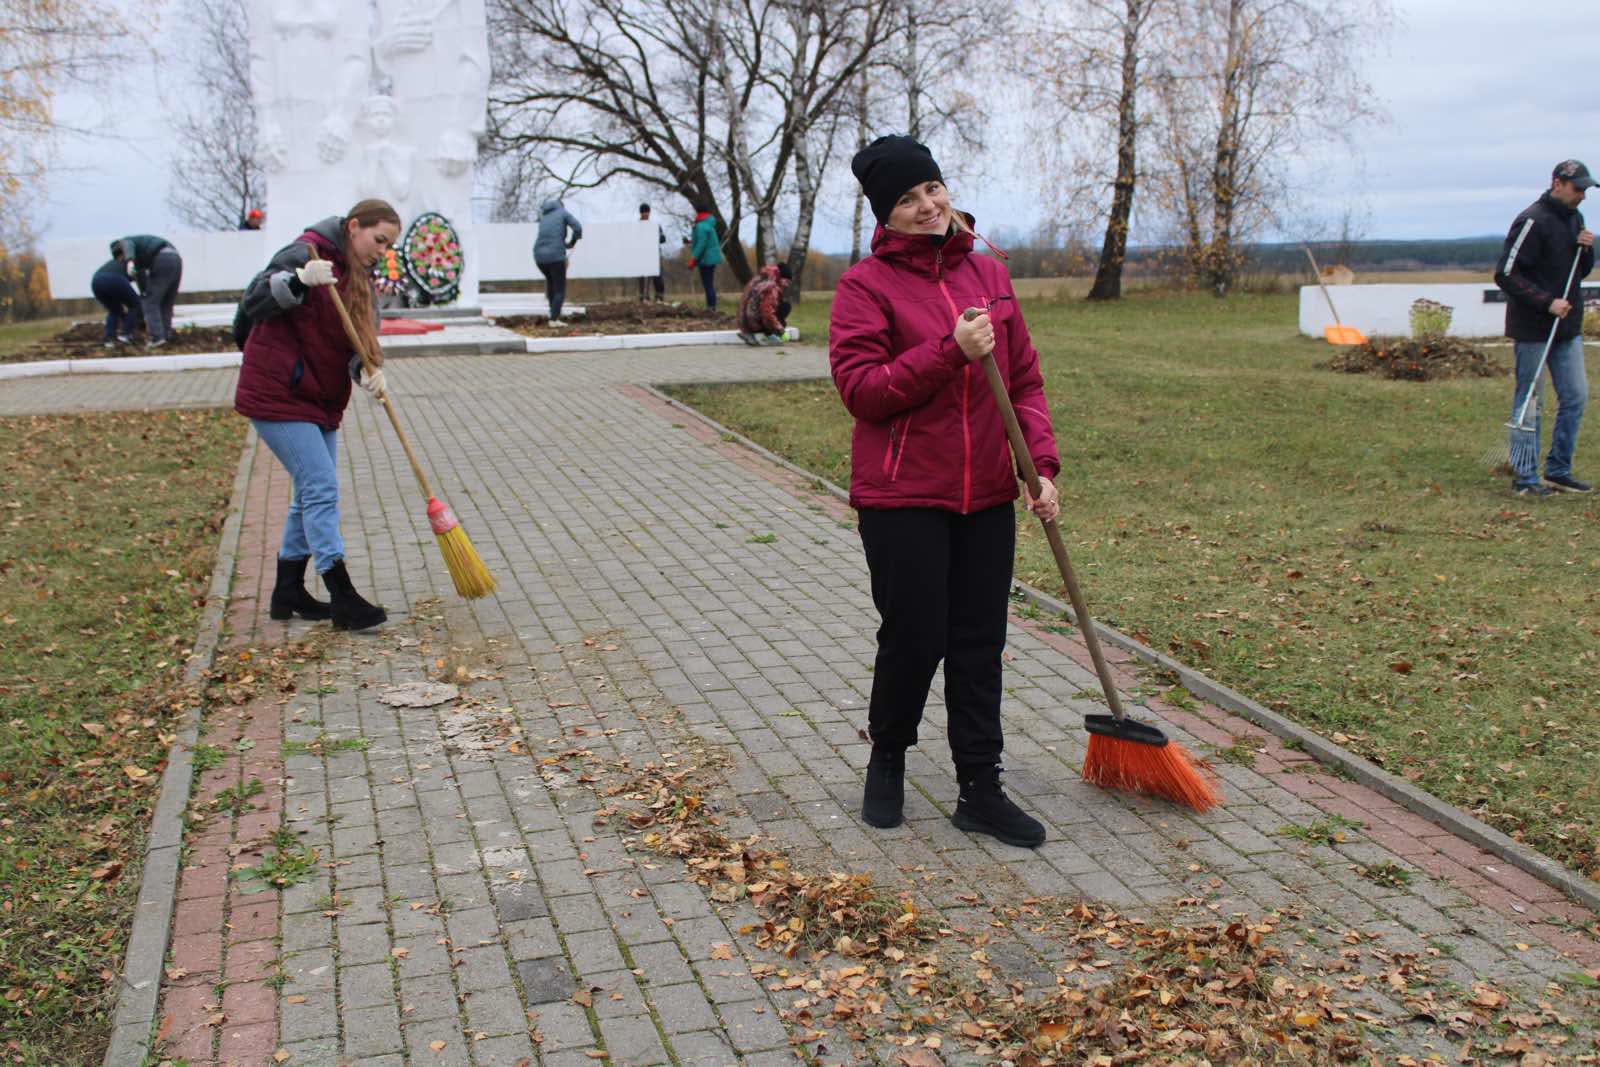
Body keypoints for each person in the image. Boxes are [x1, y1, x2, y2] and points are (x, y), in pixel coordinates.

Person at [829, 135, 1061, 849]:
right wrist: (948, 352)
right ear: (885, 216)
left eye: (932, 188)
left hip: (987, 492)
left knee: (977, 641)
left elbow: (1023, 379)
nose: (928, 205)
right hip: (904, 496)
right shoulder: (863, 288)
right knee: (914, 635)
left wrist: (1039, 466)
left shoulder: (989, 274)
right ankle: (888, 755)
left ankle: (980, 788)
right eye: (907, 199)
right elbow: (863, 392)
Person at [233, 198, 402, 632]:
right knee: (321, 485)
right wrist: (297, 281)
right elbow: (253, 300)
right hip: (278, 392)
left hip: (319, 399)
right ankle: (341, 593)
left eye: (388, 245)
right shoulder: (305, 253)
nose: (381, 250)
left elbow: (354, 340)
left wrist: (366, 371)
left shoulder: (358, 278)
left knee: (307, 495)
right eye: (378, 239)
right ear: (353, 227)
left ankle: (287, 590)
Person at [1495, 159, 1596, 495]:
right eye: (1577, 188)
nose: (1582, 194)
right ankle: (1525, 478)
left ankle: (1558, 470)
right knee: (1530, 402)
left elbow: (1577, 273)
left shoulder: (1576, 220)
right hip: (1533, 328)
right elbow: (1505, 274)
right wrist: (1546, 302)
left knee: (1576, 397)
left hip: (1567, 328)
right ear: (1557, 183)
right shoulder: (1531, 220)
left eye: (1586, 189)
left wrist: (1586, 250)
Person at [110, 234, 183, 347]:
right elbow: (141, 277)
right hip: (175, 258)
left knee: (150, 302)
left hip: (162, 259)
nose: (123, 262)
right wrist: (144, 292)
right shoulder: (140, 254)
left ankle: (156, 337)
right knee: (165, 302)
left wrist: (129, 261)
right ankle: (165, 335)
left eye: (122, 259)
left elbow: (127, 243)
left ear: (121, 252)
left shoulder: (125, 243)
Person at [533, 197, 582, 324]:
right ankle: (554, 319)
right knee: (559, 289)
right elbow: (577, 228)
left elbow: (551, 238)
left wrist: (565, 245)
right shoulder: (562, 212)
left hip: (539, 257)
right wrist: (573, 241)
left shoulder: (544, 217)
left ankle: (553, 316)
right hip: (555, 257)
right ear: (561, 205)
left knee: (551, 283)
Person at [91, 256, 143, 347]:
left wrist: (125, 317)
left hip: (96, 281)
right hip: (115, 279)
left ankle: (109, 338)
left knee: (115, 310)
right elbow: (142, 283)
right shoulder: (135, 263)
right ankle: (127, 335)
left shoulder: (115, 262)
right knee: (135, 304)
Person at [736, 262, 791, 345]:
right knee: (785, 307)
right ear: (780, 277)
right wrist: (781, 331)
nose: (787, 285)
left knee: (779, 304)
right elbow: (767, 313)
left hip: (744, 321)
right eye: (786, 282)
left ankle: (751, 333)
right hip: (754, 322)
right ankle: (767, 334)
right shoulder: (772, 287)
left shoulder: (760, 279)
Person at [687, 203, 722, 311]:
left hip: (706, 259)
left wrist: (693, 259)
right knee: (709, 284)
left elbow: (702, 244)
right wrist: (691, 242)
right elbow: (703, 240)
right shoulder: (708, 223)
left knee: (708, 284)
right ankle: (711, 307)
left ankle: (711, 308)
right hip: (711, 258)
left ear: (698, 212)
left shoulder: (701, 225)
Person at [638, 202, 665, 302]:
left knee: (658, 276)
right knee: (642, 276)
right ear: (640, 213)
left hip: (654, 254)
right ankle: (643, 297)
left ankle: (659, 296)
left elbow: (663, 238)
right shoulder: (637, 226)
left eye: (647, 212)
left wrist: (658, 237)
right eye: (643, 212)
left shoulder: (655, 225)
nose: (645, 214)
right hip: (641, 255)